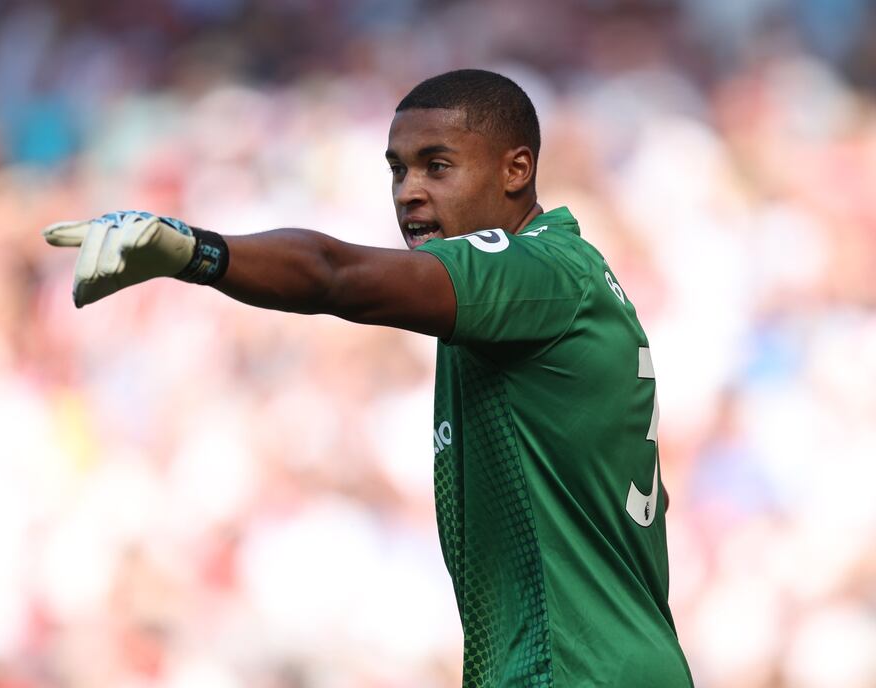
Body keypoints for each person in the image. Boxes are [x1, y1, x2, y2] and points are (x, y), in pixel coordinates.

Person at [43, 69, 694, 687]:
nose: (409, 190)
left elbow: (336, 275)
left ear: (515, 170)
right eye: (398, 169)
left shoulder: (534, 273)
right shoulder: (555, 287)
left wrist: (195, 251)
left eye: (437, 166)